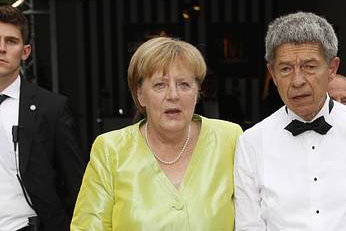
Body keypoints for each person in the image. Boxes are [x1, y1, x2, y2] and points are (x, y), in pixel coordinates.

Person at [234, 11, 346, 230]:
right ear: (272, 73)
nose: (297, 81)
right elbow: (249, 225)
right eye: (286, 68)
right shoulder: (252, 142)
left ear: (332, 69)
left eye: (309, 66)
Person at [71, 37, 243, 230]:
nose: (173, 95)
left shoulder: (230, 138)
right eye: (160, 85)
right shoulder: (111, 149)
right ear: (140, 95)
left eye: (184, 84)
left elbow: (254, 219)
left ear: (197, 92)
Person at [0, 5, 85, 230]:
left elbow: (76, 183)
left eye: (11, 41)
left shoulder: (52, 108)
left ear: (25, 52)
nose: (1, 48)